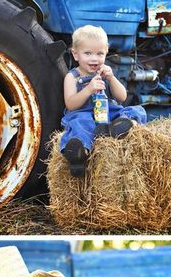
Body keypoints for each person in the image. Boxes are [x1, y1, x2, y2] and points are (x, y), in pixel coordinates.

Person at [60, 25, 147, 176]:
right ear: (75, 54)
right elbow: (70, 103)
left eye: (100, 54)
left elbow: (122, 97)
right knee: (80, 124)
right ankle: (80, 153)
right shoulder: (72, 77)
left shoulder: (105, 72)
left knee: (136, 110)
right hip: (83, 113)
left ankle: (120, 127)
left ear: (106, 53)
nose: (94, 58)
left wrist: (112, 78)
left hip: (107, 111)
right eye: (87, 53)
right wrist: (88, 89)